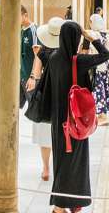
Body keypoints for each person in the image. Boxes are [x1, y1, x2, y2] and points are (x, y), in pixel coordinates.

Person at [37, 21, 109, 212]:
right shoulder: (78, 61)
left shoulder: (54, 58)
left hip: (58, 123)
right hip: (76, 122)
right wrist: (90, 38)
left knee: (61, 163)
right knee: (77, 164)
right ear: (77, 38)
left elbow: (42, 54)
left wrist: (38, 51)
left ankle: (63, 205)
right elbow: (106, 55)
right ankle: (63, 206)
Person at [32, 17, 64, 182]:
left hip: (46, 92)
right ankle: (59, 167)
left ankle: (45, 168)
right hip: (62, 93)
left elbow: (37, 73)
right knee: (61, 132)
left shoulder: (41, 50)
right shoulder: (66, 50)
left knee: (45, 131)